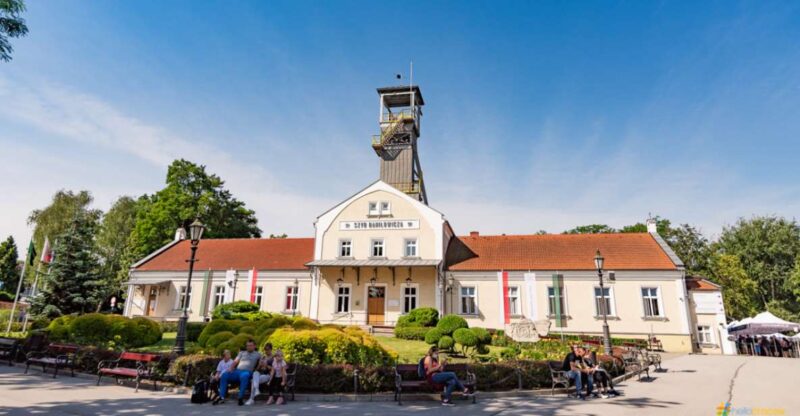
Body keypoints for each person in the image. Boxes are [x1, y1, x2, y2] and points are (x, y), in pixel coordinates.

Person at [213, 339, 261, 406]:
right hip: (237, 371)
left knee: (244, 376)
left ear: (254, 346)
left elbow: (262, 362)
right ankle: (221, 397)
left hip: (247, 372)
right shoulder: (242, 353)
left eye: (250, 345)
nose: (248, 347)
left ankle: (240, 398)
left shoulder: (258, 354)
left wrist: (258, 368)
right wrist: (230, 368)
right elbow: (235, 361)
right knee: (224, 375)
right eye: (247, 346)